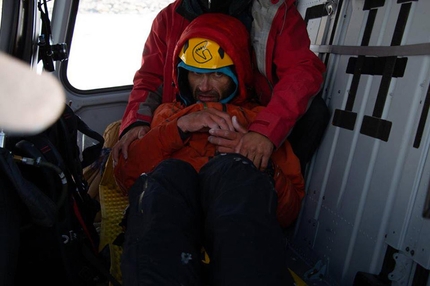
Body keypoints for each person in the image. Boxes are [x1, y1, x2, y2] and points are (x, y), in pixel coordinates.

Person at [114, 13, 304, 285]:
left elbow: (288, 211)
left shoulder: (259, 125)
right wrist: (178, 127)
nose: (203, 86)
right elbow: (126, 177)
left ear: (237, 73)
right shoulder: (167, 115)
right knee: (168, 175)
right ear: (183, 73)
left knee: (235, 171)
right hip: (172, 213)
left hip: (235, 222)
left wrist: (260, 164)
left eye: (216, 74)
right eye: (195, 73)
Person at [112, 0, 329, 174]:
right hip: (184, 114)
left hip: (253, 116)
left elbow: (302, 71)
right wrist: (135, 123)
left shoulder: (274, 13)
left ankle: (275, 186)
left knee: (315, 113)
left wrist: (266, 132)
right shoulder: (169, 18)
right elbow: (149, 77)